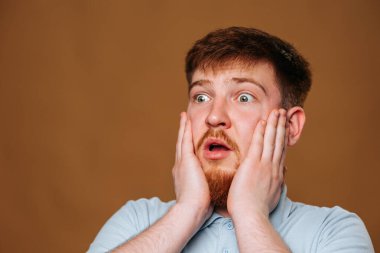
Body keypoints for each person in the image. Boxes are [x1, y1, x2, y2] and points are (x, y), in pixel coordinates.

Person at [87, 27, 374, 253]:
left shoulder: (334, 230)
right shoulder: (137, 220)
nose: (214, 116)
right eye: (201, 97)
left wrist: (250, 214)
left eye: (244, 97)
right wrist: (188, 210)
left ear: (290, 126)